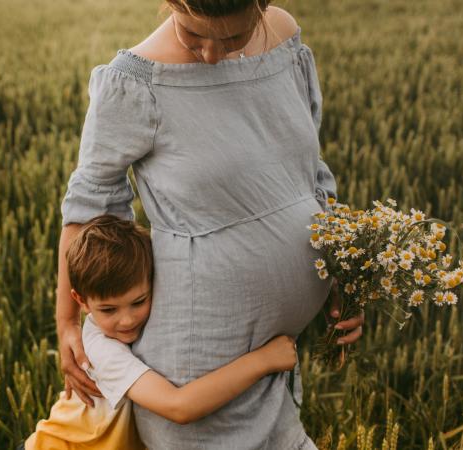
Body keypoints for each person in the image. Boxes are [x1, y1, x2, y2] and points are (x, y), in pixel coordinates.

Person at [57, 1, 366, 448]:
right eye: (193, 34)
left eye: (231, 38)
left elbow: (307, 175)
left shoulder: (284, 39)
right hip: (195, 366)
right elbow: (88, 205)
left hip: (275, 358)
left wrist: (340, 271)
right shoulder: (138, 79)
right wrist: (68, 322)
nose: (210, 55)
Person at [24, 215, 300, 449]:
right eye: (109, 310)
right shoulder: (102, 350)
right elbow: (178, 407)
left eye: (139, 302)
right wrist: (263, 360)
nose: (126, 320)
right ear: (81, 301)